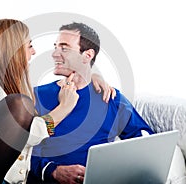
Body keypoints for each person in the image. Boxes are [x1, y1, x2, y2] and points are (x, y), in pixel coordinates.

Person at [0, 19, 115, 184]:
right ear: (13, 50)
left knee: (20, 102)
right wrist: (63, 108)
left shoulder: (21, 88)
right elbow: (21, 137)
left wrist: (91, 75)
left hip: (0, 179)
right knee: (19, 104)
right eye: (29, 45)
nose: (34, 52)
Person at [27, 22, 155, 184]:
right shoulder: (37, 96)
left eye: (64, 48)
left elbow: (144, 139)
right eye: (55, 46)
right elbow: (24, 149)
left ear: (87, 55)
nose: (54, 54)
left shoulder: (110, 97)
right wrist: (54, 171)